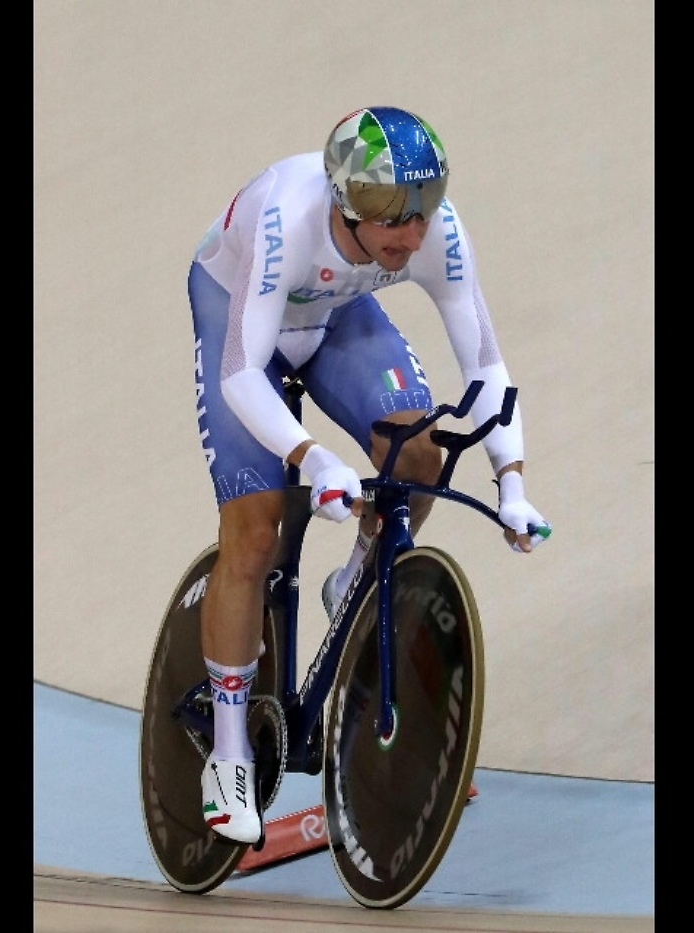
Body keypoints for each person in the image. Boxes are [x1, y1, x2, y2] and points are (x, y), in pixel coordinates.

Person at [188, 106, 552, 845]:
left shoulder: (430, 231)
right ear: (348, 202)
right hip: (242, 316)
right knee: (254, 536)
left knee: (419, 454)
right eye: (393, 218)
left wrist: (511, 482)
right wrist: (314, 458)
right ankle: (227, 754)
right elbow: (240, 373)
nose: (411, 236)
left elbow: (484, 363)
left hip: (335, 311)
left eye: (422, 213)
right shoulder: (287, 219)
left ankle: (353, 573)